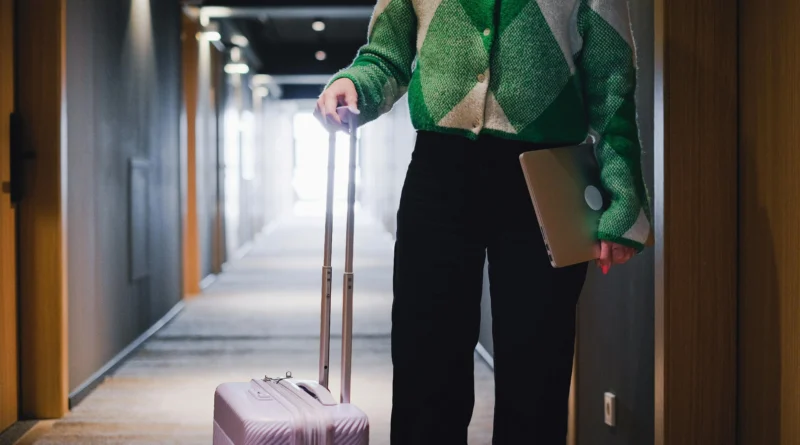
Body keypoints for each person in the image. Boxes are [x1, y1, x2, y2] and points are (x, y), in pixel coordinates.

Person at [315, 0, 651, 443]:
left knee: (537, 371)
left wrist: (622, 205)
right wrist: (353, 82)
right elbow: (386, 56)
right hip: (439, 175)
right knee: (425, 362)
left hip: (547, 180)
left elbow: (612, 85)